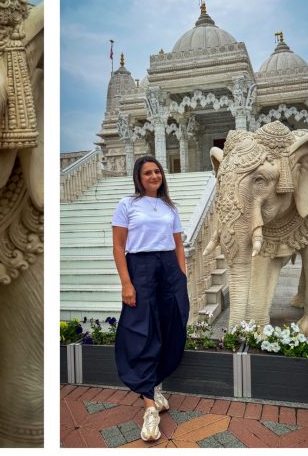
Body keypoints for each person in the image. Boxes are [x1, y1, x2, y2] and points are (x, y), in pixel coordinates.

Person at [111, 156, 189, 441]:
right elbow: (118, 246)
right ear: (139, 177)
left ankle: (154, 386)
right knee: (141, 331)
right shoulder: (127, 205)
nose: (154, 176)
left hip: (169, 270)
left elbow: (178, 245)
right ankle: (149, 409)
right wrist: (126, 283)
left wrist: (181, 276)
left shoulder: (169, 207)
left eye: (157, 171)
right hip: (140, 269)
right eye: (148, 173)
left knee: (170, 327)